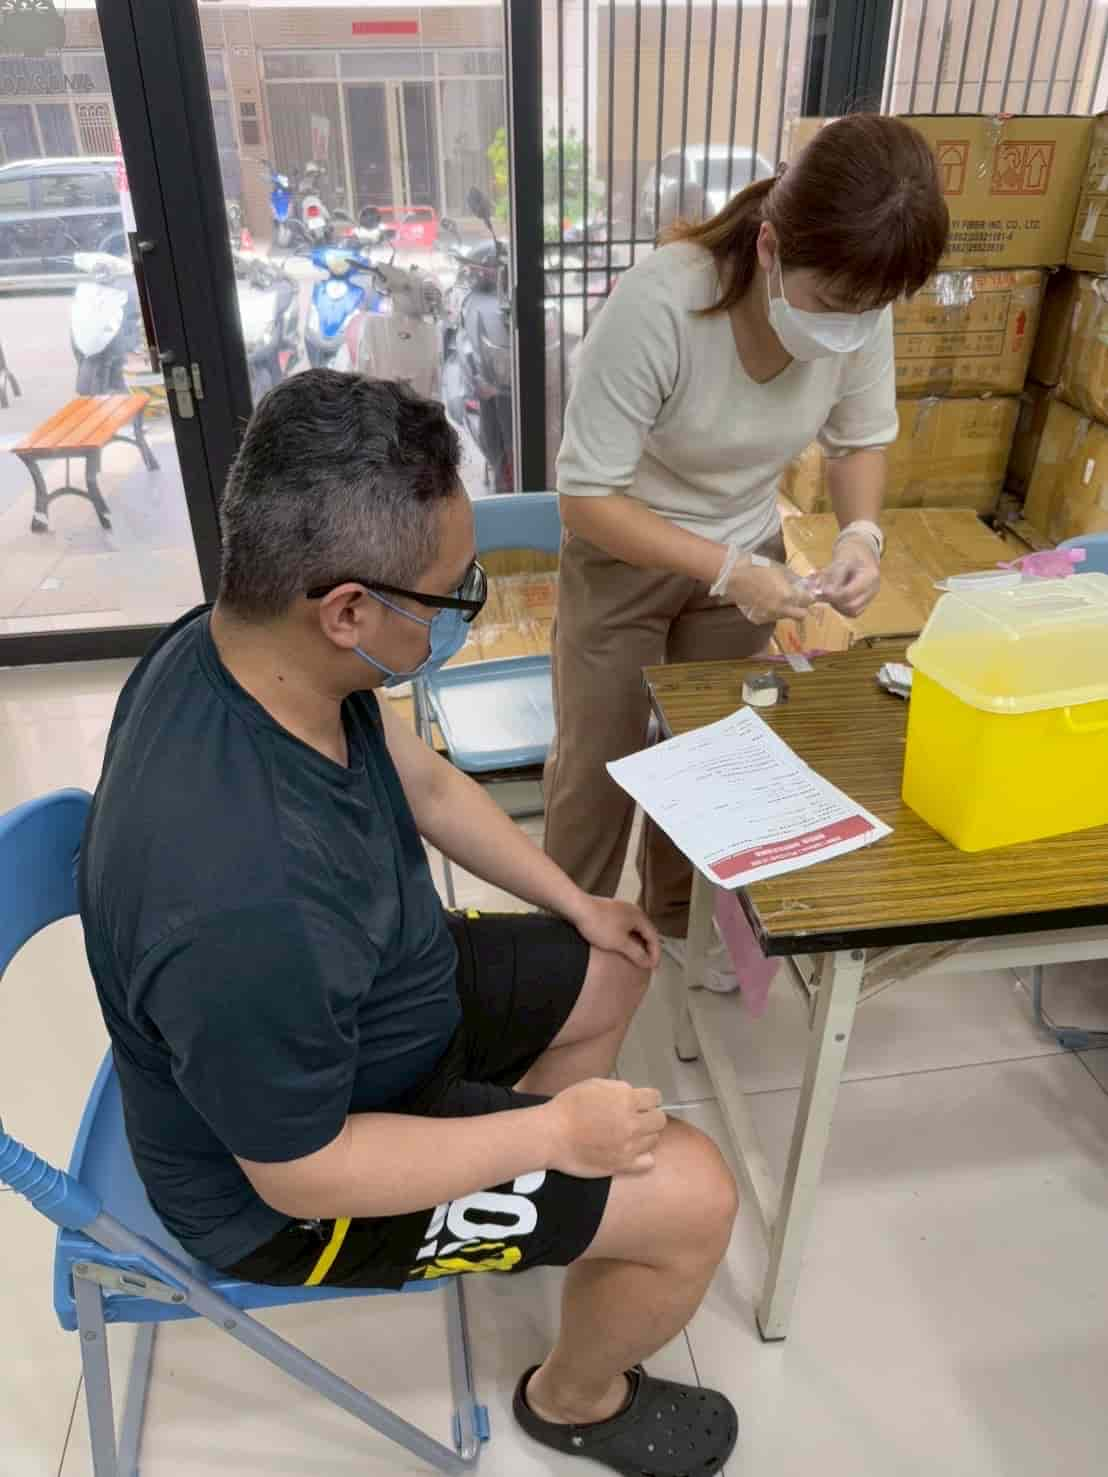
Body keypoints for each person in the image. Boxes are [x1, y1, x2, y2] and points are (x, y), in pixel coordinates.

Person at [79, 370, 740, 1476]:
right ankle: (574, 1399)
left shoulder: (236, 644)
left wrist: (573, 897)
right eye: (447, 595)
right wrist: (549, 1138)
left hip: (371, 1004)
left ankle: (513, 1203)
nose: (460, 612)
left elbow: (421, 779)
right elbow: (302, 1173)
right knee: (695, 1196)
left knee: (612, 958)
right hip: (289, 1188)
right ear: (346, 609)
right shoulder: (244, 908)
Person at [544, 114, 949, 984]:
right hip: (625, 549)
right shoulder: (661, 305)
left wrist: (860, 533)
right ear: (769, 247)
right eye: (832, 306)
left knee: (707, 752)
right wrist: (726, 568)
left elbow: (858, 440)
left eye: (869, 310)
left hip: (748, 552)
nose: (850, 327)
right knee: (598, 760)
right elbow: (585, 497)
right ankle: (563, 936)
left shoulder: (860, 303)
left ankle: (677, 920)